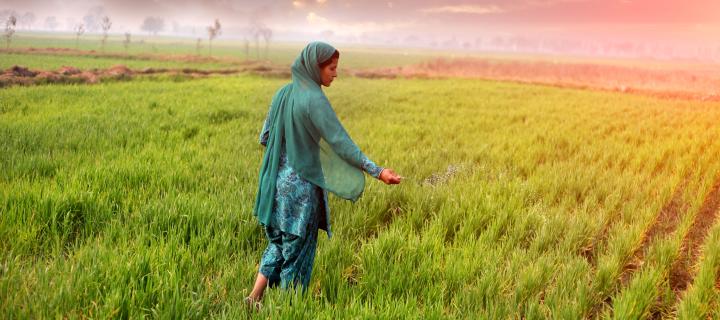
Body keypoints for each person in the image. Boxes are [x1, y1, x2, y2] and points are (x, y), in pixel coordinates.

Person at [245, 42, 401, 309]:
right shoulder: (314, 99)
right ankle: (285, 312)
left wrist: (290, 147)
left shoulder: (283, 93)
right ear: (314, 67)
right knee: (296, 259)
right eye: (331, 68)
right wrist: (378, 171)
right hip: (300, 197)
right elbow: (342, 144)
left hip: (274, 188)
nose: (335, 74)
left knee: (279, 245)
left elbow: (265, 137)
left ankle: (253, 298)